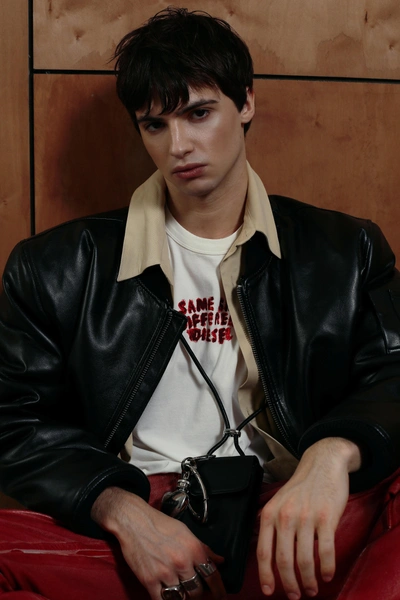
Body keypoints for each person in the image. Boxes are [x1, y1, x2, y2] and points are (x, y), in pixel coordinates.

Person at [1, 7, 400, 600]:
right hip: (143, 525)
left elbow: (393, 373)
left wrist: (330, 456)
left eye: (198, 113)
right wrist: (123, 513)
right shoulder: (56, 267)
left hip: (290, 518)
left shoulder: (345, 251)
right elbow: (13, 422)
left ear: (246, 103)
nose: (179, 145)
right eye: (154, 124)